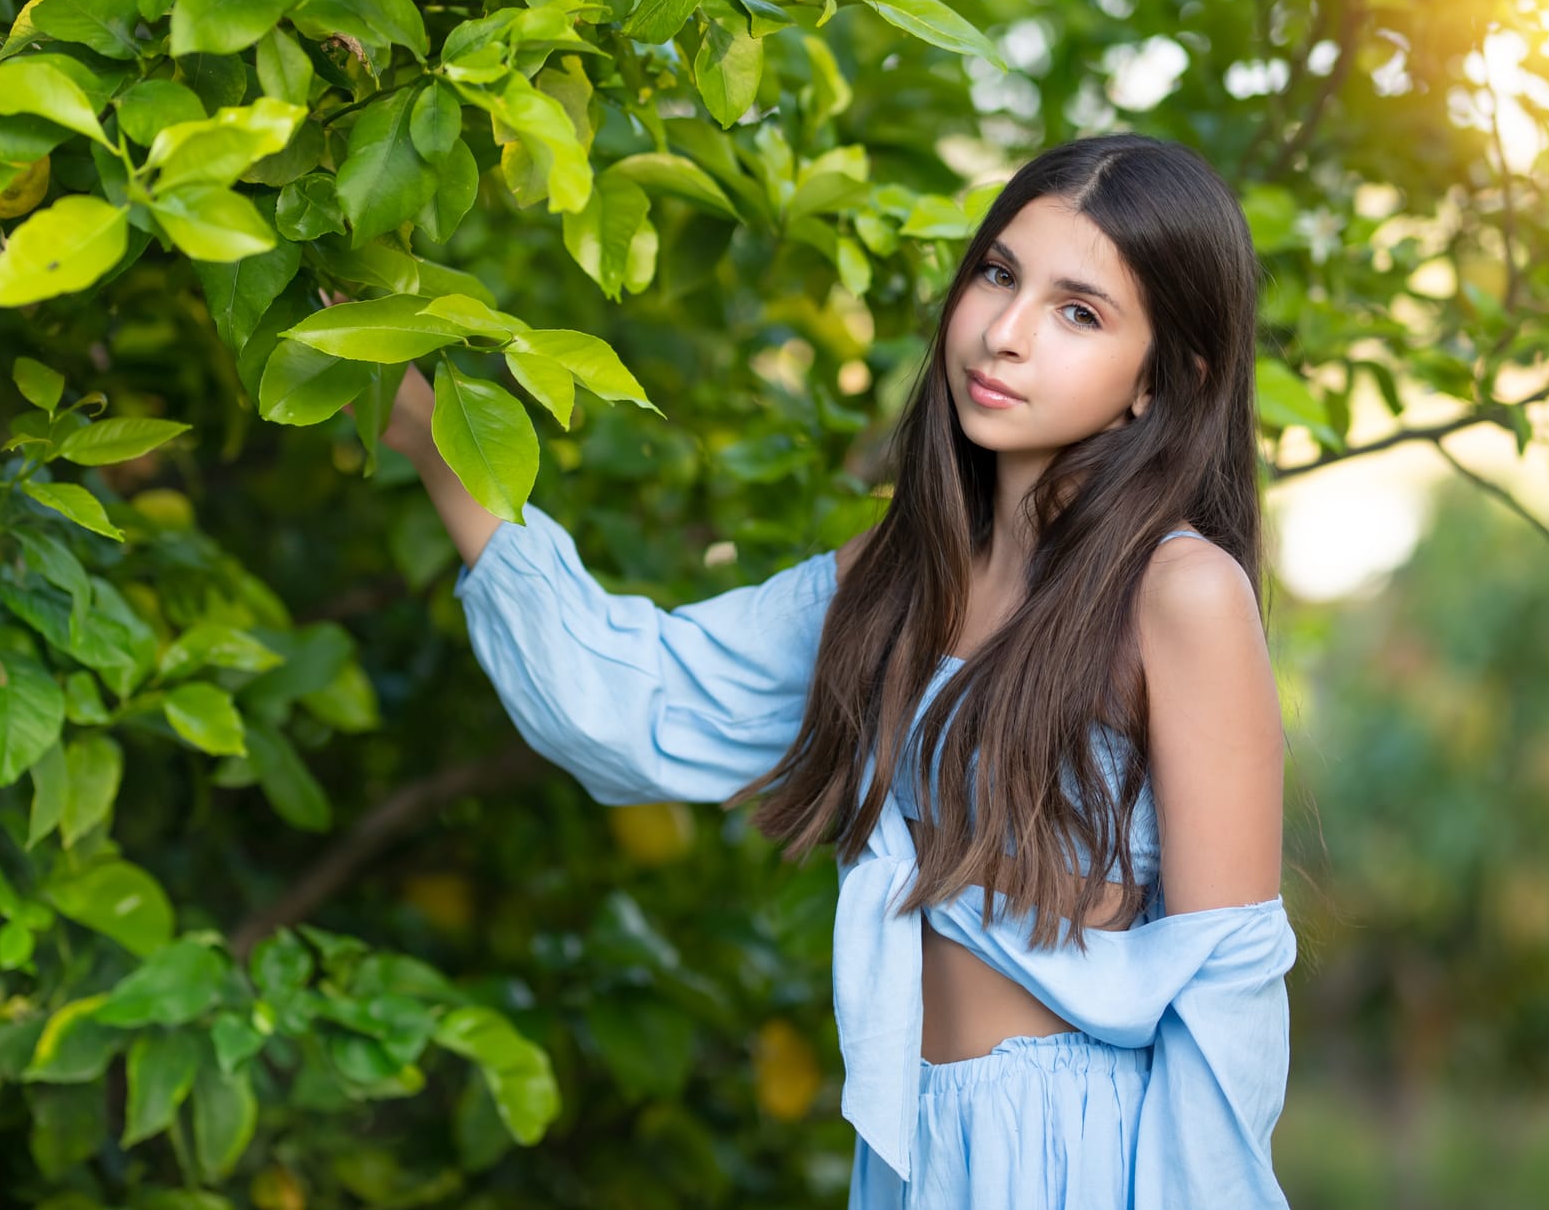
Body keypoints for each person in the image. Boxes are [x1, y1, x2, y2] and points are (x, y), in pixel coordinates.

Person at [370, 132, 1295, 1207]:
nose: (1002, 334)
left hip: (1079, 1152)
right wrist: (442, 440)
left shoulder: (1177, 592)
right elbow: (643, 700)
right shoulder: (898, 570)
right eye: (998, 274)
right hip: (913, 1147)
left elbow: (1224, 993)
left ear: (1163, 379)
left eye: (1077, 312)